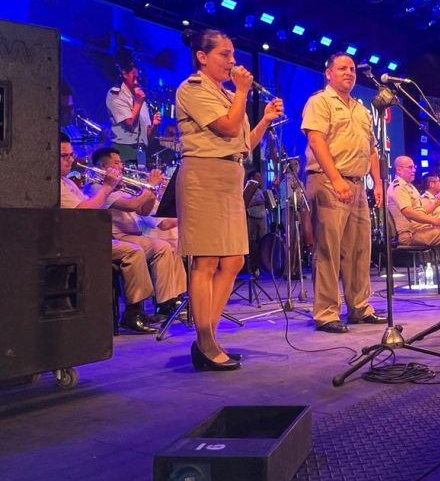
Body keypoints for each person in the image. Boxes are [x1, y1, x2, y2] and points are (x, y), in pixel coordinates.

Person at [176, 28, 284, 370]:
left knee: (234, 260)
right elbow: (225, 128)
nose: (233, 62)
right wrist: (241, 91)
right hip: (204, 176)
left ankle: (209, 333)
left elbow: (241, 144)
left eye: (233, 55)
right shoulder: (193, 89)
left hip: (228, 176)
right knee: (205, 262)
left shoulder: (225, 95)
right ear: (202, 57)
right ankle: (205, 341)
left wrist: (265, 119)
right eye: (225, 54)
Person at [302, 52, 385, 333]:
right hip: (328, 181)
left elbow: (371, 148)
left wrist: (378, 182)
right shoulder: (320, 101)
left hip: (358, 184)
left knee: (360, 249)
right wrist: (336, 179)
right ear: (329, 73)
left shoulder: (361, 110)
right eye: (342, 68)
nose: (349, 72)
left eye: (351, 68)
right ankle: (326, 313)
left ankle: (360, 308)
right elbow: (316, 139)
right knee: (328, 250)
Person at [59, 132, 159, 333]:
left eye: (71, 154)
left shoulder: (68, 182)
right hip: (76, 242)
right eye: (64, 156)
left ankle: (144, 308)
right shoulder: (71, 185)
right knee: (133, 251)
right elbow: (84, 212)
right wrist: (107, 186)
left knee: (148, 247)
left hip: (94, 238)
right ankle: (133, 313)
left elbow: (142, 210)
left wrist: (149, 191)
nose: (71, 159)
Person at [86, 147, 186, 318]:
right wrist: (150, 187)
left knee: (168, 246)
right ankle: (162, 303)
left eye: (121, 163)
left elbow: (143, 210)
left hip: (133, 236)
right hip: (117, 236)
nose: (121, 167)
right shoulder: (97, 187)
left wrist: (152, 193)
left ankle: (173, 299)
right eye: (116, 163)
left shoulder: (119, 188)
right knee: (162, 247)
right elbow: (131, 205)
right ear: (103, 166)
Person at [387, 155, 440, 287]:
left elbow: (422, 211)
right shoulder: (398, 187)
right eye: (410, 167)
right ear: (399, 170)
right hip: (410, 234)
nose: (414, 170)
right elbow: (408, 212)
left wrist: (437, 203)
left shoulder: (410, 187)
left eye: (414, 167)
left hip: (421, 230)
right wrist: (435, 221)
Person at [106, 58, 161, 166]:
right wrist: (138, 102)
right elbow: (130, 124)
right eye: (135, 73)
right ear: (125, 74)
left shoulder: (140, 97)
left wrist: (154, 126)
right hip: (123, 150)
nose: (138, 77)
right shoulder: (115, 95)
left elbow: (147, 137)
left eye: (140, 74)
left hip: (141, 152)